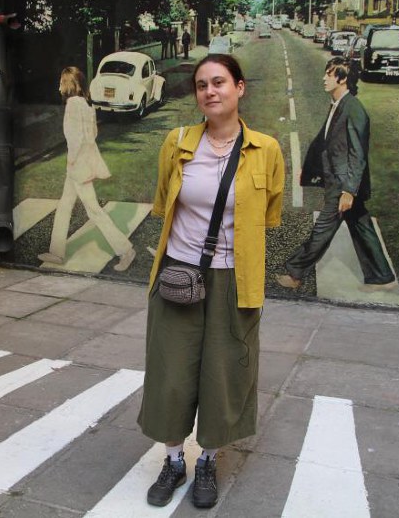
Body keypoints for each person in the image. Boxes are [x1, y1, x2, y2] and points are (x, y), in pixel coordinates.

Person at [138, 54, 284, 509]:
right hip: (178, 275)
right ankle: (173, 461)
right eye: (202, 85)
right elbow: (164, 201)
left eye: (219, 82)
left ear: (240, 87)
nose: (209, 91)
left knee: (225, 374)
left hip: (235, 281)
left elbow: (270, 212)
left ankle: (207, 461)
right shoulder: (177, 143)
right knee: (170, 373)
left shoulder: (267, 149)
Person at [276, 56, 395, 291]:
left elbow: (357, 155)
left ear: (342, 79)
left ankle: (295, 273)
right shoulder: (338, 105)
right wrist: (310, 170)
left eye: (329, 74)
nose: (324, 78)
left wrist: (349, 191)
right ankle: (381, 276)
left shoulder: (354, 110)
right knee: (361, 226)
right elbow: (325, 142)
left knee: (322, 230)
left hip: (343, 185)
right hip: (339, 180)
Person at [37, 67, 136, 272]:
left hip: (77, 166)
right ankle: (56, 252)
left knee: (94, 211)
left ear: (69, 85)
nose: (59, 86)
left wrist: (72, 161)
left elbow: (76, 138)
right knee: (65, 206)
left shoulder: (72, 104)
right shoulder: (86, 104)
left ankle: (126, 250)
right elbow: (93, 134)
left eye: (61, 82)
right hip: (84, 163)